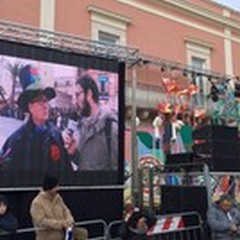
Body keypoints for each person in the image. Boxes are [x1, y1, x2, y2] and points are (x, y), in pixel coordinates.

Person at [0, 65, 72, 172]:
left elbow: (66, 170)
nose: (45, 105)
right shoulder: (16, 141)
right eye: (39, 101)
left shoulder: (56, 135)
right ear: (30, 107)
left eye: (46, 100)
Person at [64, 74, 118, 171]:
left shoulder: (110, 127)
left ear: (89, 94)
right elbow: (85, 163)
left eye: (77, 95)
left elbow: (116, 169)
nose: (75, 102)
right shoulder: (83, 125)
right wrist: (72, 153)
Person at [30, 174, 88, 240]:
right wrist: (61, 224)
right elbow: (41, 222)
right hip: (48, 236)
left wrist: (70, 220)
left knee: (82, 233)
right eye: (56, 186)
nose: (58, 188)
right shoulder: (37, 202)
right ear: (50, 187)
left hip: (63, 232)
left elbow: (65, 210)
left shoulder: (58, 198)